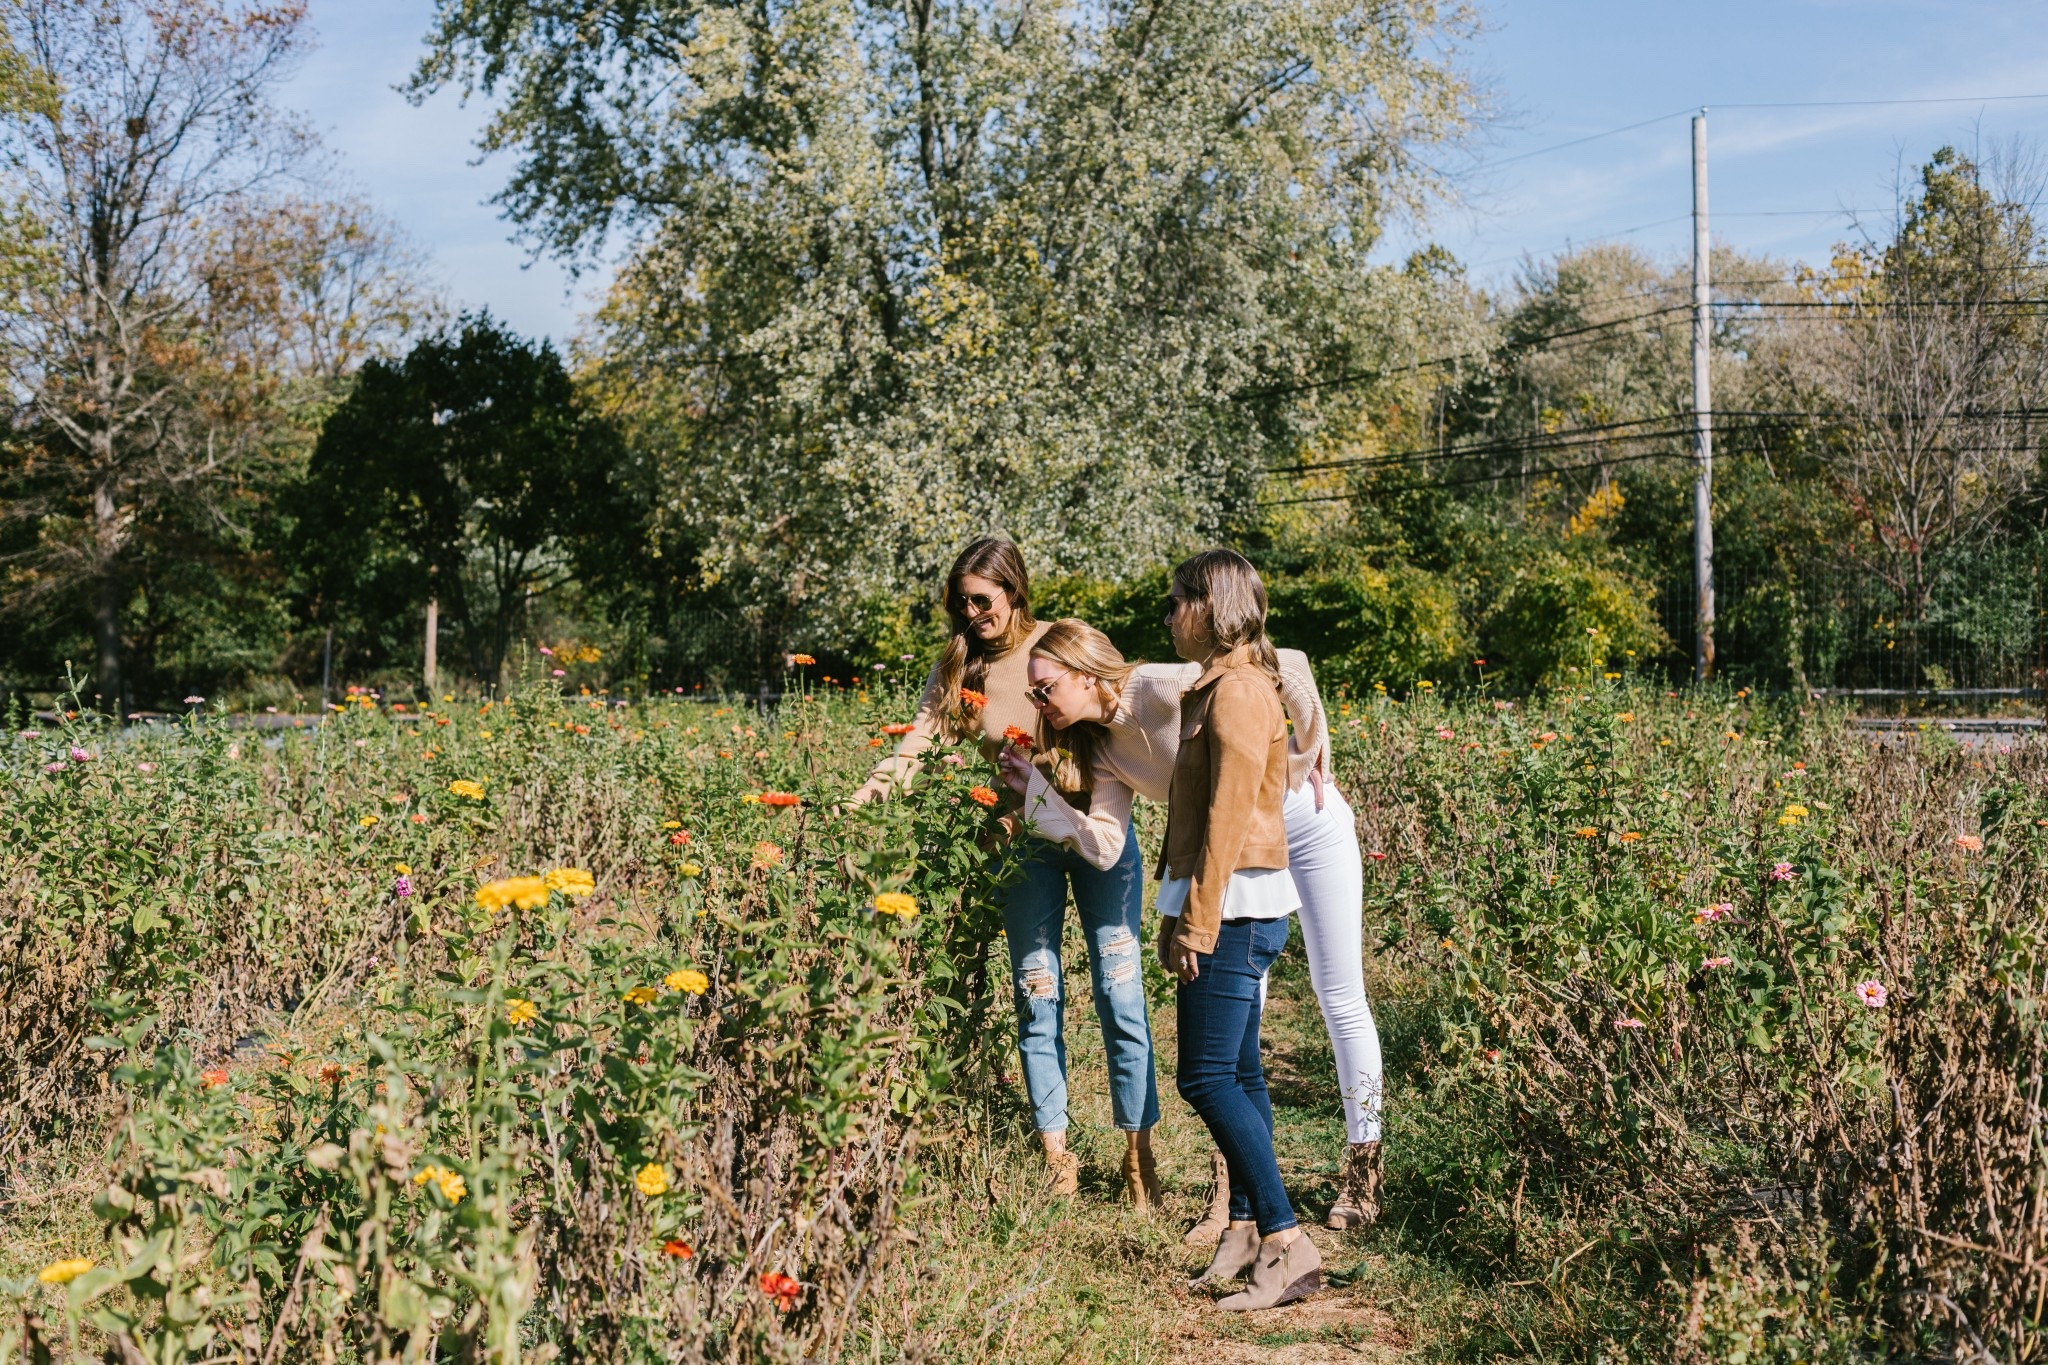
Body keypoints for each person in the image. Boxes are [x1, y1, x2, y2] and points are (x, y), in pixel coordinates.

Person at [999, 619, 1385, 1242]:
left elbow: (1290, 661)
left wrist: (1309, 751)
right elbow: (1102, 846)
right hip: (1227, 856)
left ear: (1086, 671)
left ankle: (1364, 1167)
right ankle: (1236, 1195)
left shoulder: (1159, 685)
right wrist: (1042, 797)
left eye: (1045, 689)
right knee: (1234, 1038)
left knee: (1337, 994)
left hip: (1303, 824)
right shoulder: (1100, 748)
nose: (1037, 705)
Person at [851, 537, 1162, 1208]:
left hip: (1096, 833)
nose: (970, 612)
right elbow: (917, 744)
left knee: (1120, 991)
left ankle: (1139, 1156)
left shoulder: (1063, 645)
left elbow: (1124, 704)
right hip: (1020, 847)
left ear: (1013, 589)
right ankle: (1058, 1155)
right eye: (959, 601)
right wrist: (865, 797)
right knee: (1036, 994)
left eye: (981, 599)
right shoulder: (960, 666)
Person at [1154, 549, 1320, 1308]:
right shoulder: (1217, 687)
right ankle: (1248, 1229)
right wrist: (1174, 907)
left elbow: (1225, 817)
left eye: (1176, 601)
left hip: (1238, 905)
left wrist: (1197, 919)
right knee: (1242, 1073)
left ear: (1210, 606)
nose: (1167, 615)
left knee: (1205, 1076)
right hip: (1230, 901)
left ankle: (1287, 1239)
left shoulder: (1241, 691)